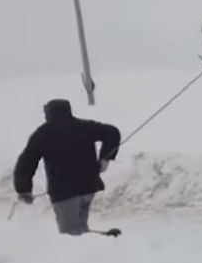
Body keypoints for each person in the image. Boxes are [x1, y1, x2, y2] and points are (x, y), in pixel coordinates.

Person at [13, 98, 122, 236]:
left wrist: (24, 190)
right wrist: (105, 158)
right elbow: (112, 132)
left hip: (63, 192)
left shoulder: (43, 133)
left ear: (48, 113)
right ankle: (91, 245)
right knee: (80, 226)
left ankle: (83, 250)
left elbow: (27, 162)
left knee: (68, 231)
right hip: (88, 187)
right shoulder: (84, 126)